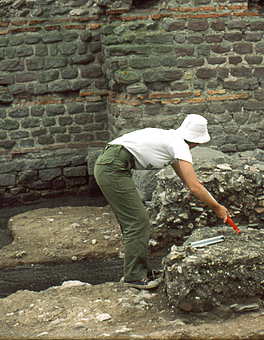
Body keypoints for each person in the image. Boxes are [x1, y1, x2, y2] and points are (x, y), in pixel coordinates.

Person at [94, 114, 230, 289]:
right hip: (112, 166)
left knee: (135, 221)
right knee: (138, 221)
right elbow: (194, 186)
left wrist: (213, 201)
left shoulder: (171, 141)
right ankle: (134, 276)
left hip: (113, 163)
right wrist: (217, 207)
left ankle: (140, 271)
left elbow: (189, 181)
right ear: (197, 142)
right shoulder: (179, 145)